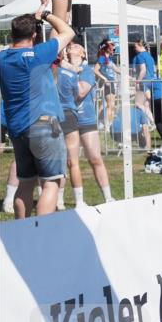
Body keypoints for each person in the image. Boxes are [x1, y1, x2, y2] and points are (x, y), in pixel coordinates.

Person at [0, 9, 75, 218]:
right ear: (33, 36)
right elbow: (68, 32)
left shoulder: (2, 59)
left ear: (12, 35)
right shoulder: (38, 54)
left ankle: (21, 233)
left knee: (25, 183)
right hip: (43, 124)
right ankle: (41, 234)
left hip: (17, 129)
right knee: (51, 183)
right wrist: (47, 14)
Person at [59, 43, 114, 206]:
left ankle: (108, 197)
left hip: (85, 119)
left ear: (83, 54)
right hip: (67, 119)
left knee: (95, 158)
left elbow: (81, 92)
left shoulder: (87, 70)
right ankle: (60, 201)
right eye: (70, 46)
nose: (71, 47)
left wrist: (69, 75)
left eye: (76, 46)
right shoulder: (62, 69)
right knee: (65, 161)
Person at [96, 39, 119, 129]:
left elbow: (116, 69)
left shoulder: (108, 58)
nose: (113, 49)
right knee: (111, 105)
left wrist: (128, 76)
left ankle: (100, 123)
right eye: (112, 46)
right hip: (107, 83)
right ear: (107, 48)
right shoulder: (102, 58)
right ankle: (108, 126)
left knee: (105, 105)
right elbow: (95, 70)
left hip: (110, 82)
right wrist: (105, 79)